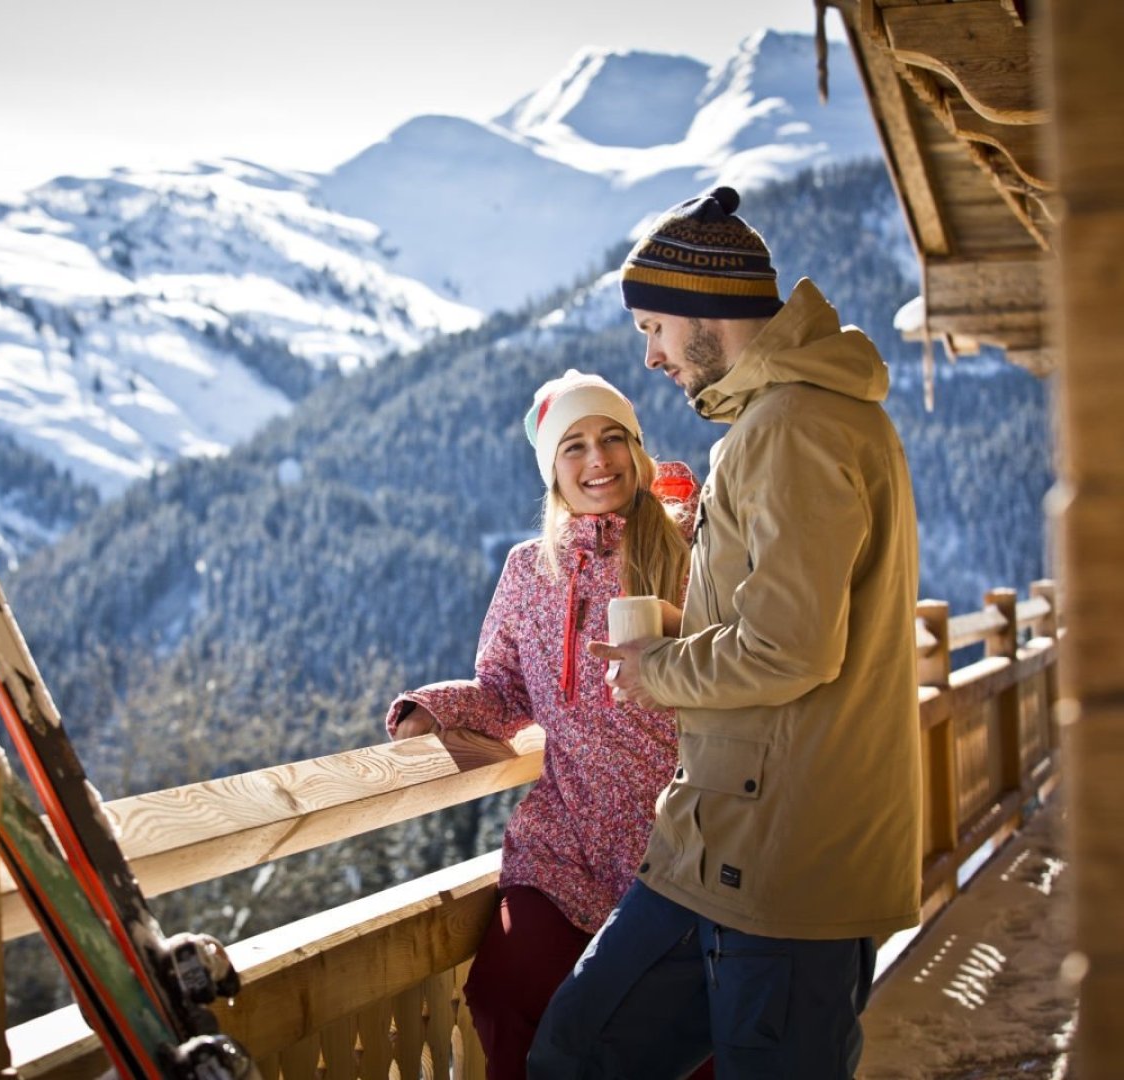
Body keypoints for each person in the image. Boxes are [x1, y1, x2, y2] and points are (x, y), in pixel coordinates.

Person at [527, 185, 922, 1080]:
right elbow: (781, 620)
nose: (655, 356)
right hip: (714, 842)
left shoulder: (795, 427)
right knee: (579, 1050)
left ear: (707, 312)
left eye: (655, 328)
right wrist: (686, 630)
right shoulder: (781, 422)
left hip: (786, 856)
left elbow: (790, 648)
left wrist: (658, 667)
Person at [386, 370, 702, 1080]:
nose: (598, 460)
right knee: (507, 994)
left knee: (677, 1038)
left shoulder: (688, 552)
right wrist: (435, 709)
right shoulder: (530, 570)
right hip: (564, 839)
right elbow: (504, 691)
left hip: (675, 841)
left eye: (613, 438)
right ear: (552, 471)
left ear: (638, 448)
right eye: (575, 446)